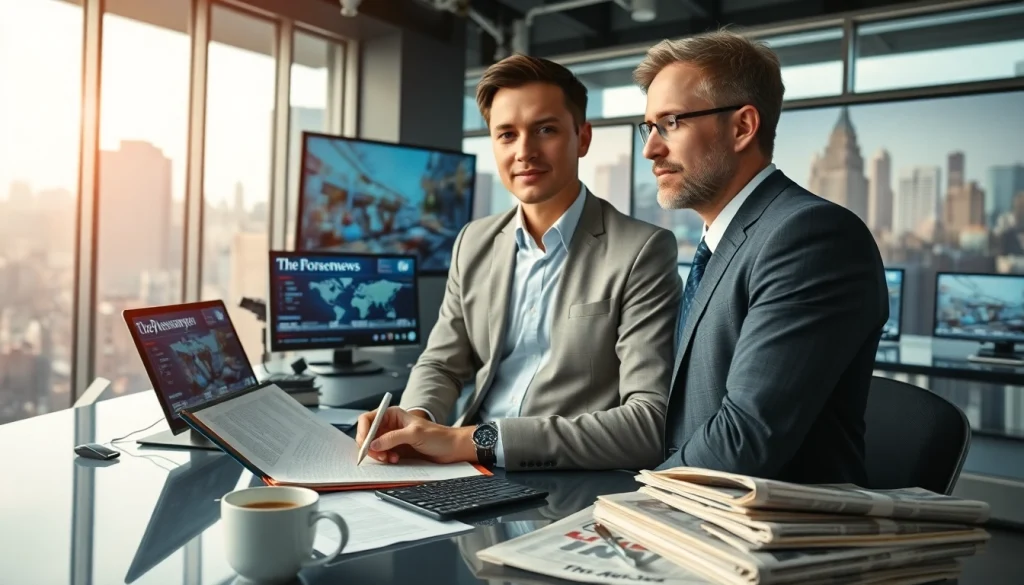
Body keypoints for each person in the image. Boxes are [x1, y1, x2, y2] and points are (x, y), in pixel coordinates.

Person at [355, 54, 680, 471]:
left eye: (545, 130)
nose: (524, 152)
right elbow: (441, 363)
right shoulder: (474, 242)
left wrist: (474, 441)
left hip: (564, 481)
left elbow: (648, 424)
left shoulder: (642, 251)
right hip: (464, 469)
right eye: (506, 135)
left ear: (582, 138)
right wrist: (416, 420)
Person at [636, 30, 888, 484]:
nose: (651, 149)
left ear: (742, 127)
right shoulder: (726, 239)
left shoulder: (810, 237)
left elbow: (743, 441)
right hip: (697, 516)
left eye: (671, 123)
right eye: (649, 127)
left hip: (766, 536)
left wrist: (626, 505)